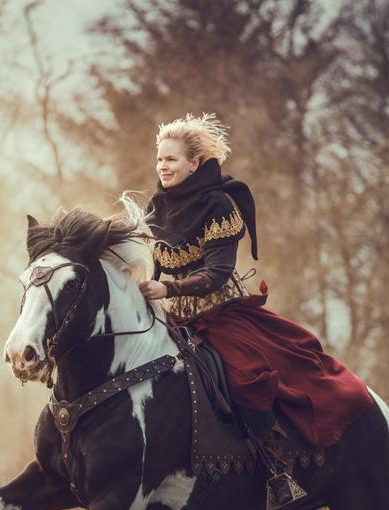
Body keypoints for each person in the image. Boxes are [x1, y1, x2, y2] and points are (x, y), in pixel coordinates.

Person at [139, 113, 375, 481]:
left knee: (246, 376)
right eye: (159, 159)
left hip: (221, 313)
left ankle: (277, 465)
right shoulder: (157, 206)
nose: (162, 166)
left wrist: (168, 288)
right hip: (171, 317)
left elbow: (216, 274)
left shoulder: (218, 204)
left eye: (171, 159)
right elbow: (149, 261)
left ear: (194, 163)